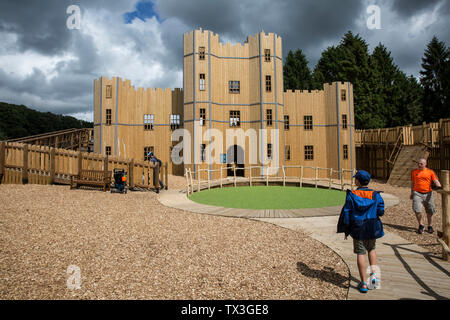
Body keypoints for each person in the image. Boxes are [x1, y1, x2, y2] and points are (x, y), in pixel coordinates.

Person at [337, 170, 385, 293]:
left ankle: (363, 282)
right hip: (372, 225)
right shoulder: (375, 194)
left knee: (360, 253)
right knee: (372, 249)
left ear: (357, 181)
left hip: (358, 227)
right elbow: (381, 210)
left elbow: (347, 212)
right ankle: (373, 279)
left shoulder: (352, 195)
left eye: (355, 179)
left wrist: (346, 229)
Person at [410, 158, 441, 234]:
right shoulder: (414, 172)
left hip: (428, 193)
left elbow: (436, 180)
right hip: (417, 193)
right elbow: (412, 183)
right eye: (419, 163)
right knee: (417, 210)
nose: (419, 165)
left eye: (421, 164)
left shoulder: (430, 172)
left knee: (430, 210)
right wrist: (411, 192)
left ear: (425, 164)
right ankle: (421, 225)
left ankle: (430, 226)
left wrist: (439, 185)